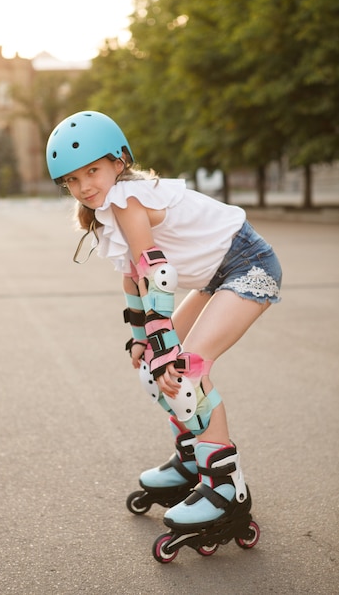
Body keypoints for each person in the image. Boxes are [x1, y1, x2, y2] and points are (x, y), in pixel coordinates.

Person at [46, 110, 282, 534]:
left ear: (119, 161)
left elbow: (155, 272)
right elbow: (132, 275)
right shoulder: (109, 211)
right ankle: (195, 459)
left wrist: (166, 349)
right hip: (215, 277)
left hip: (248, 265)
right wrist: (141, 341)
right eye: (73, 181)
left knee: (186, 369)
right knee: (153, 375)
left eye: (93, 171)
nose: (84, 187)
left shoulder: (129, 199)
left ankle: (225, 487)